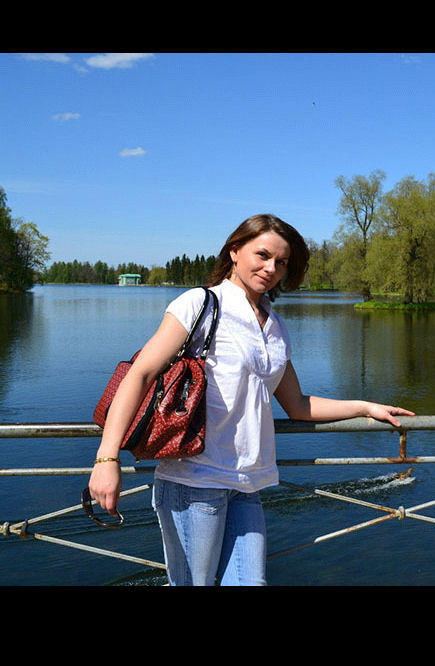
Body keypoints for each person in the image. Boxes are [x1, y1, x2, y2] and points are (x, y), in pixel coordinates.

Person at [88, 214, 414, 585]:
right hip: (194, 481)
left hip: (247, 484)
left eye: (282, 262)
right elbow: (140, 374)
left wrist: (365, 407)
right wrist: (107, 458)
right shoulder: (201, 305)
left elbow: (297, 405)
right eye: (262, 255)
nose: (271, 268)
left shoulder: (275, 326)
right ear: (234, 251)